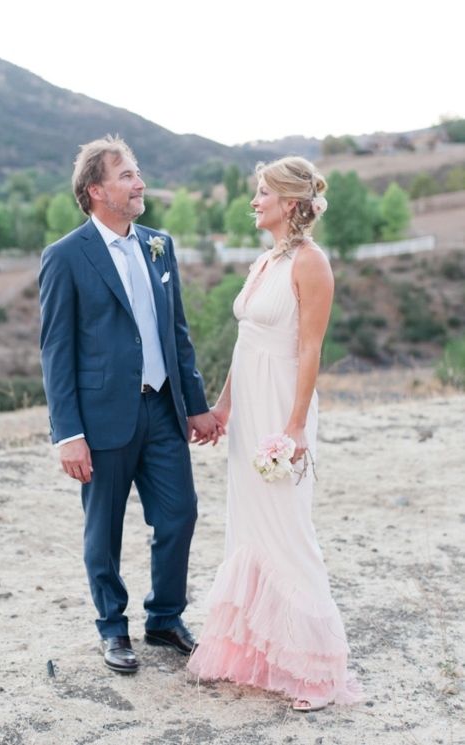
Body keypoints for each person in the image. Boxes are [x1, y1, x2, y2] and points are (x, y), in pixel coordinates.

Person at [187, 156, 363, 711]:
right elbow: (247, 345)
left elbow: (309, 349)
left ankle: (316, 676)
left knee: (288, 530)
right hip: (248, 414)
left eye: (262, 192)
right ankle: (261, 658)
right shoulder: (265, 261)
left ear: (290, 202)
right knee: (249, 529)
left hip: (283, 410)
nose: (254, 201)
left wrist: (294, 427)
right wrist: (221, 407)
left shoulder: (311, 264)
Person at [39, 135, 219, 675]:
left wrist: (195, 404)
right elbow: (56, 351)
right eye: (126, 176)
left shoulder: (159, 244)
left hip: (163, 410)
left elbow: (176, 332)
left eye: (137, 174)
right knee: (105, 530)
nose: (139, 183)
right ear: (95, 190)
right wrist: (67, 433)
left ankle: (164, 618)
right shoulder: (66, 257)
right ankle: (112, 628)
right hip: (100, 420)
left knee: (180, 514)